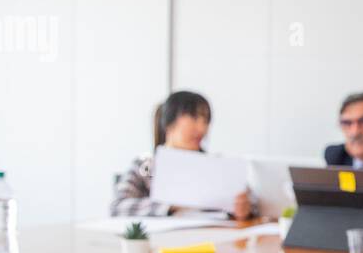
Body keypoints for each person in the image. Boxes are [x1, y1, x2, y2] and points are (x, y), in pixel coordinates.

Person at [110, 90, 256, 220]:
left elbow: (249, 203)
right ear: (169, 121)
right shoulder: (146, 165)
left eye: (206, 120)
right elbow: (118, 207)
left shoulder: (215, 166)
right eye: (194, 118)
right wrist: (170, 205)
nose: (202, 128)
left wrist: (243, 209)